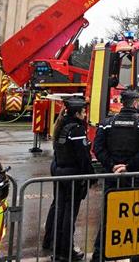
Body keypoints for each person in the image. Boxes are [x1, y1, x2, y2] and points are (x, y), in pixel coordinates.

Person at [90, 88, 139, 262]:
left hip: (113, 178)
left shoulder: (107, 123)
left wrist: (112, 166)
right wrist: (129, 166)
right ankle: (138, 256)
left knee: (109, 216)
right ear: (135, 103)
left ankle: (100, 255)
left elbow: (98, 148)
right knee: (137, 216)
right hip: (137, 177)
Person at [41, 97, 93, 262]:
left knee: (60, 211)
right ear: (77, 113)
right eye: (84, 112)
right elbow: (83, 157)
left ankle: (56, 247)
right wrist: (90, 177)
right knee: (69, 214)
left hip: (60, 172)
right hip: (72, 175)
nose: (85, 114)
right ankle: (66, 251)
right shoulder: (77, 130)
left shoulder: (61, 126)